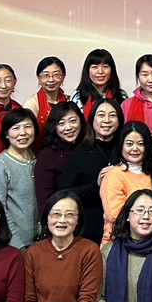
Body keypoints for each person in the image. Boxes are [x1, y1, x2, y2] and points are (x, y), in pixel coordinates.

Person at [60, 98, 123, 246]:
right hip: (89, 227)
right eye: (101, 115)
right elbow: (65, 194)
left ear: (120, 120)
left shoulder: (126, 150)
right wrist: (96, 185)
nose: (106, 120)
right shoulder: (80, 153)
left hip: (123, 227)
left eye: (112, 115)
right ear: (92, 120)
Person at [0, 108, 40, 248]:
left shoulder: (38, 159)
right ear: (6, 134)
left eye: (28, 126)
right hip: (15, 244)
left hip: (41, 240)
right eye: (16, 128)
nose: (23, 133)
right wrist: (17, 244)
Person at [99, 122, 152, 242]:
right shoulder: (114, 174)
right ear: (121, 145)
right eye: (129, 144)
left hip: (150, 240)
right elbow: (115, 215)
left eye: (140, 144)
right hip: (118, 241)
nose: (135, 149)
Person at [35, 102, 85, 225]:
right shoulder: (47, 155)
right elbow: (44, 200)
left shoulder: (89, 149)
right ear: (54, 127)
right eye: (61, 123)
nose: (68, 127)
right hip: (61, 222)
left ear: (81, 122)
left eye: (73, 121)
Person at [21, 56, 69, 141]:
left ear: (63, 77)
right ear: (39, 78)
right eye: (45, 75)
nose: (51, 80)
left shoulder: (69, 100)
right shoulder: (32, 104)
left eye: (56, 75)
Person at [73, 48, 126, 123]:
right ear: (87, 70)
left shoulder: (122, 95)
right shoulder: (78, 96)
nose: (100, 71)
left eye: (105, 66)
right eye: (95, 67)